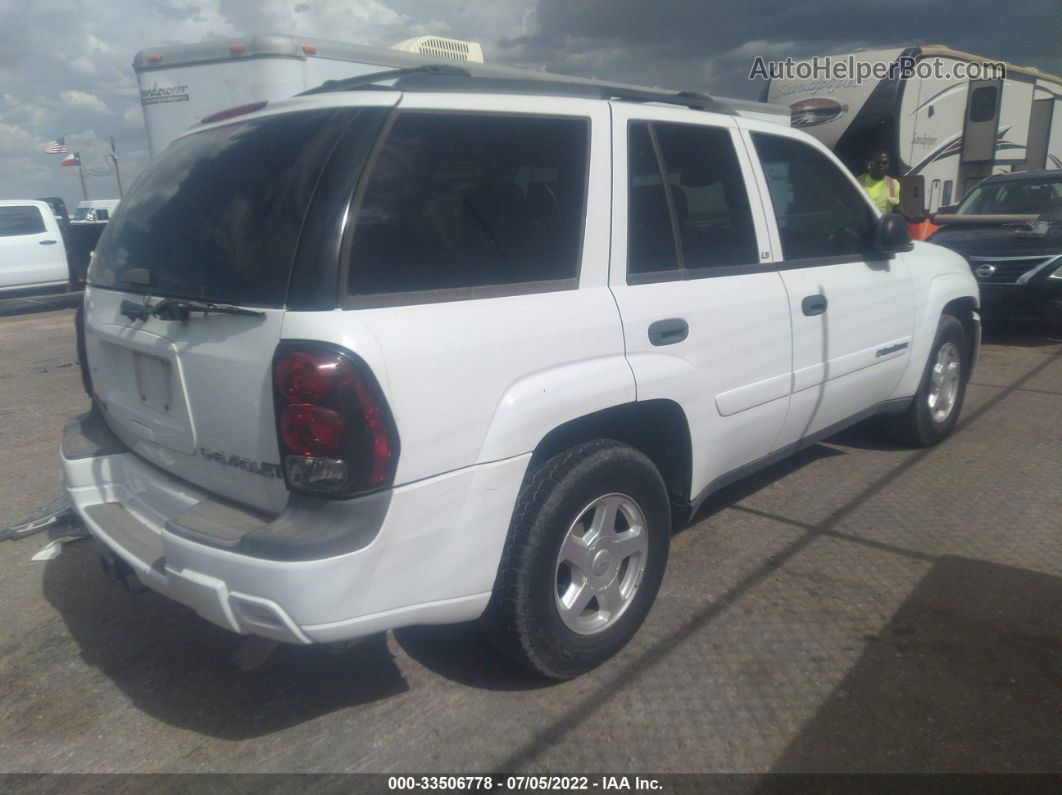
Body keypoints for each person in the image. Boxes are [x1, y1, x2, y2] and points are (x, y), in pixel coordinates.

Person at [858, 149, 901, 215]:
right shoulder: (859, 181)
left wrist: (910, 217)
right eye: (878, 163)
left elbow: (896, 207)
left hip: (882, 223)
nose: (881, 165)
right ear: (871, 164)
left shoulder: (891, 184)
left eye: (885, 163)